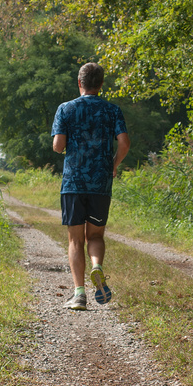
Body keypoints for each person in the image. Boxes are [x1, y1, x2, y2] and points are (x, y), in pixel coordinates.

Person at [51, 62, 130, 310]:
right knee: (95, 235)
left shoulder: (65, 109)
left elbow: (58, 146)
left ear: (79, 83)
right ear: (101, 84)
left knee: (75, 241)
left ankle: (79, 295)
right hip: (100, 183)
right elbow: (125, 142)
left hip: (73, 183)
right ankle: (97, 265)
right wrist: (114, 163)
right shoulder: (112, 110)